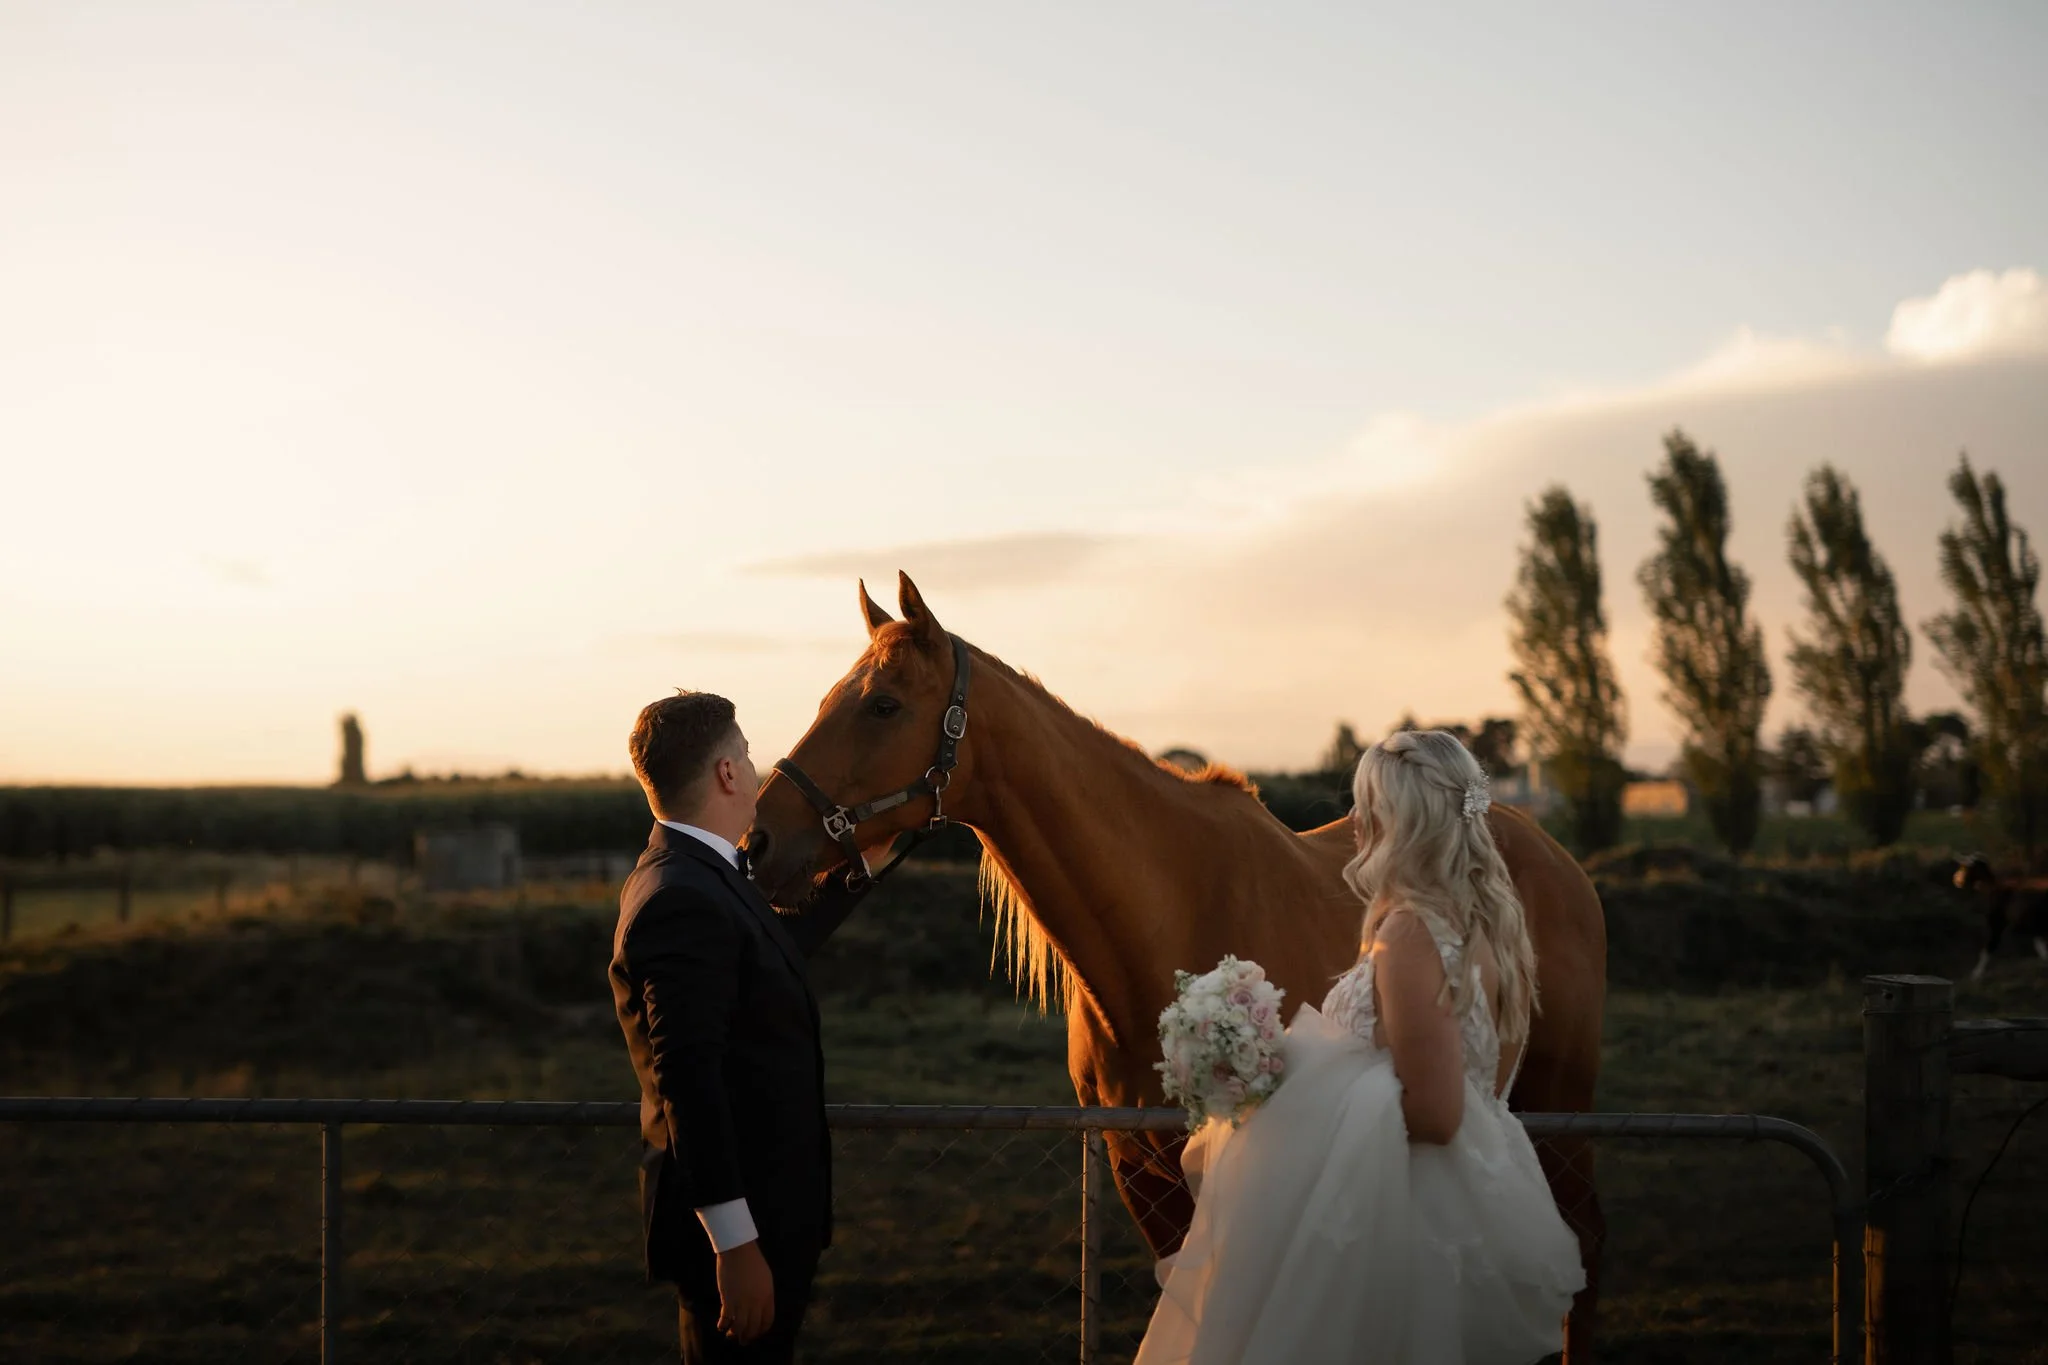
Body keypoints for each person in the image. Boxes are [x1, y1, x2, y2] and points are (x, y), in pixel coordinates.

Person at [1135, 728, 1585, 1365]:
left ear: (1402, 819)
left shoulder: (1410, 933)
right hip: (1463, 1194)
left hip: (1392, 1216)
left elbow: (1435, 1112)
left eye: (1366, 806)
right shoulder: (1489, 925)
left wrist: (1285, 1098)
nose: (1354, 825)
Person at [610, 691, 858, 1363]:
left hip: (768, 1222)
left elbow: (768, 945)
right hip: (744, 1234)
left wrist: (867, 866)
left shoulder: (695, 873)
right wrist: (736, 1244)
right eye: (746, 754)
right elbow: (688, 1080)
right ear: (726, 774)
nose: (755, 767)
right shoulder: (681, 898)